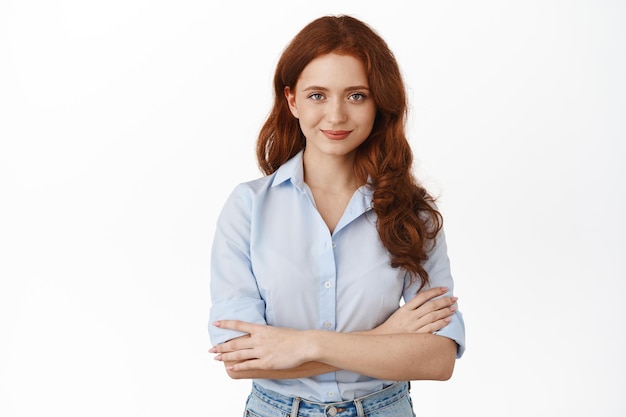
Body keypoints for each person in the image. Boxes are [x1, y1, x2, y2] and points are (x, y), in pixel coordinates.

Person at [208, 14, 465, 417]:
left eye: (356, 95)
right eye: (317, 95)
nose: (336, 116)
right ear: (292, 100)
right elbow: (242, 360)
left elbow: (437, 357)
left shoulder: (412, 214)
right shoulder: (248, 208)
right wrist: (384, 338)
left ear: (379, 101)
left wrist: (307, 345)